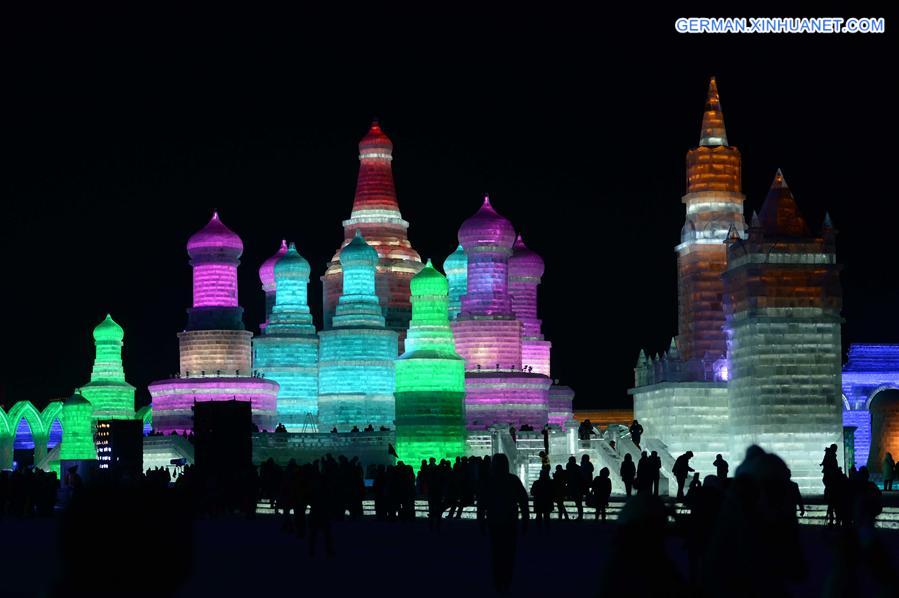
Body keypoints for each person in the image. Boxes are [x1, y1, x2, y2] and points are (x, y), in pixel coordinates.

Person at [484, 454, 529, 593]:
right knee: (509, 554)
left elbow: (482, 504)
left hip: (495, 522)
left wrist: (481, 520)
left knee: (497, 554)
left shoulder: (489, 481)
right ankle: (506, 580)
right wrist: (525, 520)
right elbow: (523, 501)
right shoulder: (513, 480)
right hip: (510, 522)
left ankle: (498, 581)